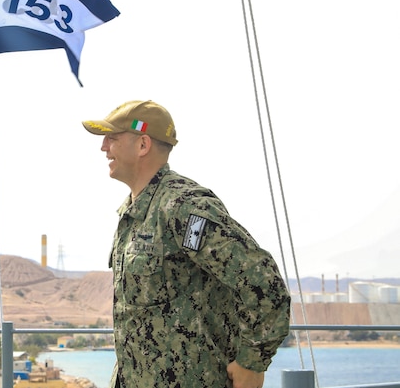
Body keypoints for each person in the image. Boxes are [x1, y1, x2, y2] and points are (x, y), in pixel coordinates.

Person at [82, 100, 291, 388]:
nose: (104, 147)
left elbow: (264, 283)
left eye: (113, 138)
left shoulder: (183, 207)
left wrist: (251, 364)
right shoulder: (134, 213)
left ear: (143, 145)